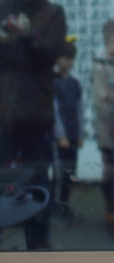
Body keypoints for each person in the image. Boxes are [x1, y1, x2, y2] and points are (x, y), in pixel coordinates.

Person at [0, 0, 67, 249]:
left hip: (36, 111)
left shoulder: (52, 12)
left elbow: (53, 53)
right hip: (0, 109)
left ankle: (38, 245)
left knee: (37, 181)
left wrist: (28, 34)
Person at [53, 37, 83, 218]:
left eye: (71, 58)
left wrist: (79, 133)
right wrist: (61, 134)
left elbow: (79, 109)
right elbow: (54, 110)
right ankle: (57, 205)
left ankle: (66, 203)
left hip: (72, 134)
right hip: (60, 137)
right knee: (60, 172)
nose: (69, 62)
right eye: (65, 57)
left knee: (72, 172)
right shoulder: (53, 82)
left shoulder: (74, 83)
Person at [93, 20, 114, 235]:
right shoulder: (101, 65)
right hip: (108, 130)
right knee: (109, 171)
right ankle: (110, 212)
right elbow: (100, 98)